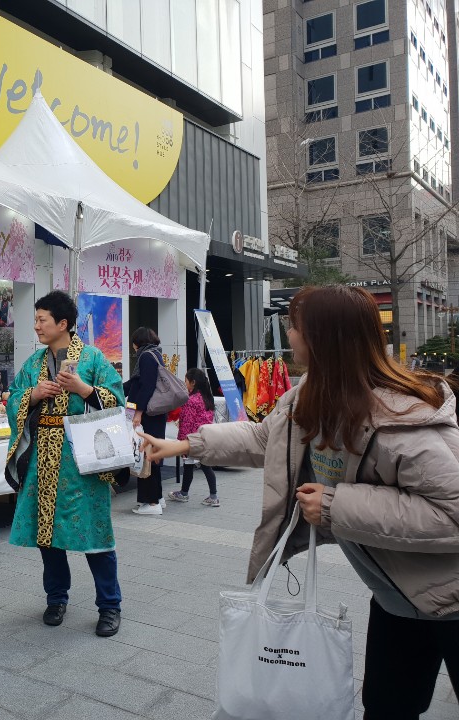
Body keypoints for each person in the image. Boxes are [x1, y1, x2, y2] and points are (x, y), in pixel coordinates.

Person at [140, 285, 459, 720]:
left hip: (451, 599)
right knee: (386, 708)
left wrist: (335, 506)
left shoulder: (403, 421)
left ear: (323, 337)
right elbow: (264, 438)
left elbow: (451, 515)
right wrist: (184, 445)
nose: (288, 335)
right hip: (397, 598)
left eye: (294, 326)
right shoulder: (310, 395)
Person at [5, 290, 125, 638]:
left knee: (95, 533)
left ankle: (110, 606)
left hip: (82, 461)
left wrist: (84, 390)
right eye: (36, 319)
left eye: (42, 319)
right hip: (43, 459)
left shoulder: (93, 358)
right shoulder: (33, 363)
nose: (36, 325)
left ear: (63, 324)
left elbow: (118, 401)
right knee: (48, 536)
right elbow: (14, 398)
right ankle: (56, 598)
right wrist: (32, 395)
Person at [124, 328, 168, 515]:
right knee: (153, 453)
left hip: (148, 414)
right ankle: (157, 497)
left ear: (137, 342)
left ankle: (151, 503)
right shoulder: (155, 354)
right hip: (155, 414)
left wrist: (138, 413)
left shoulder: (146, 357)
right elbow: (136, 384)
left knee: (146, 454)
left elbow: (146, 387)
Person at [166, 368, 219, 506]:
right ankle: (212, 496)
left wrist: (182, 442)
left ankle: (185, 493)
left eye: (186, 381)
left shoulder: (191, 400)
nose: (185, 384)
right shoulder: (207, 398)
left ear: (193, 382)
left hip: (192, 439)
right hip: (205, 437)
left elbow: (187, 423)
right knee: (205, 466)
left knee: (189, 465)